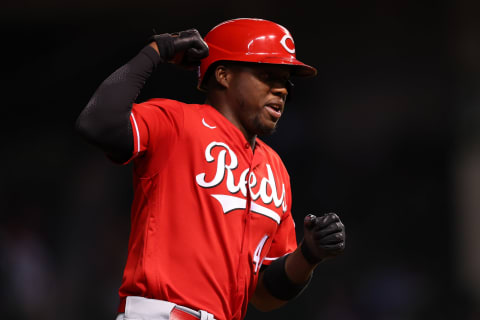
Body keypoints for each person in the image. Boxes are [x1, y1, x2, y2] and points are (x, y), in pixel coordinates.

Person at [76, 18, 346, 320]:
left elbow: (265, 295)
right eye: (268, 75)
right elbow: (97, 123)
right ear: (223, 75)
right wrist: (154, 51)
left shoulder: (275, 170)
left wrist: (308, 255)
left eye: (285, 81)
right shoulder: (176, 122)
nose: (281, 90)